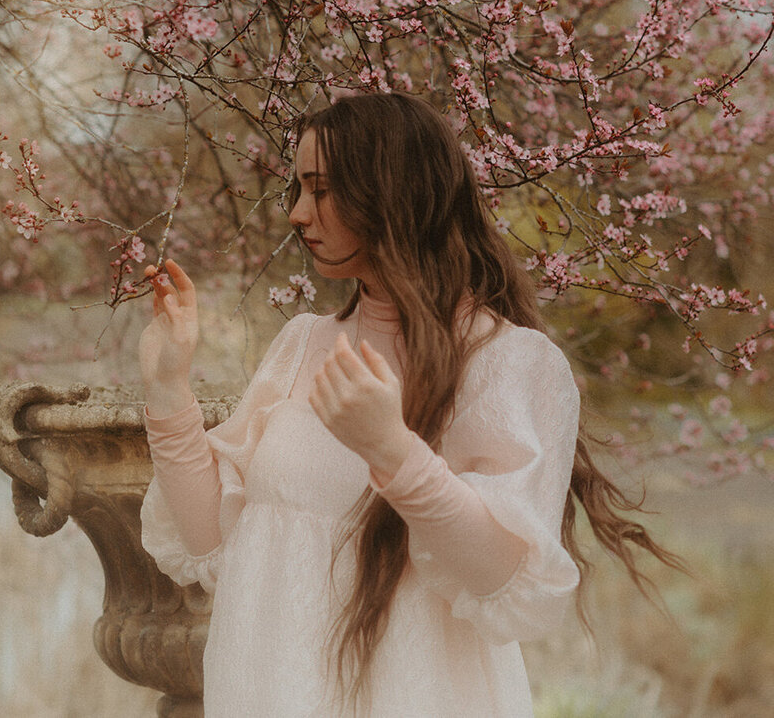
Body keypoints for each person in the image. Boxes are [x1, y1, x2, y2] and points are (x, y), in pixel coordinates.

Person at [139, 92, 678, 717]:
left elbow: (507, 583)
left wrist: (392, 451)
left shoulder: (509, 363)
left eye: (320, 190)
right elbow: (210, 543)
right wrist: (168, 387)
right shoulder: (302, 342)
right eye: (297, 189)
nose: (296, 214)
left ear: (390, 191)